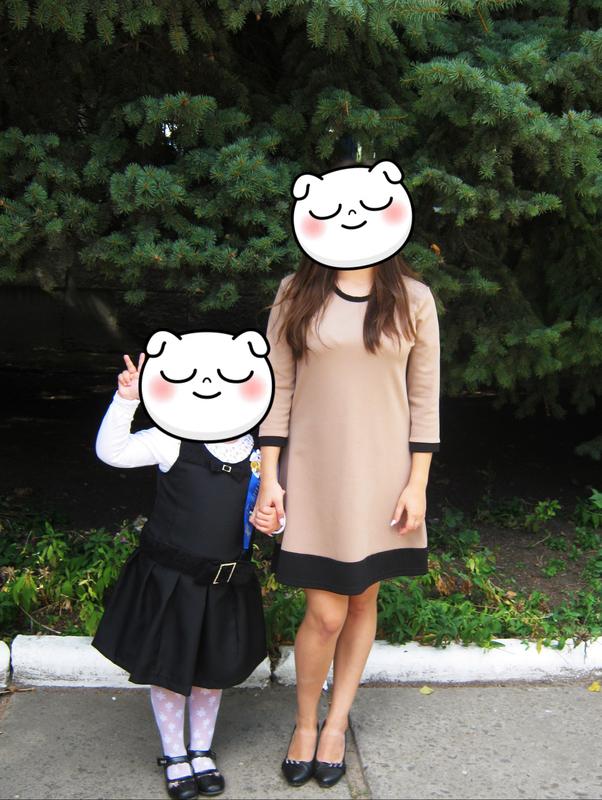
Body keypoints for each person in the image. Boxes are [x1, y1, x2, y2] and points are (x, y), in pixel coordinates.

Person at [251, 159, 440, 788]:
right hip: (313, 474)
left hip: (384, 476)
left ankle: (336, 725)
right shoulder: (295, 292)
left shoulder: (413, 299)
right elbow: (276, 389)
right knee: (326, 613)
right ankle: (305, 723)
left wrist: (417, 483)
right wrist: (270, 478)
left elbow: (424, 399)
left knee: (363, 600)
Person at [92, 329, 281, 800]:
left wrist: (275, 523)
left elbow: (273, 512)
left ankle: (201, 750)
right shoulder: (171, 441)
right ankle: (174, 753)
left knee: (211, 674)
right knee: (170, 670)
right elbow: (112, 453)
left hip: (226, 584)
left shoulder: (258, 453)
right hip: (172, 582)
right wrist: (126, 401)